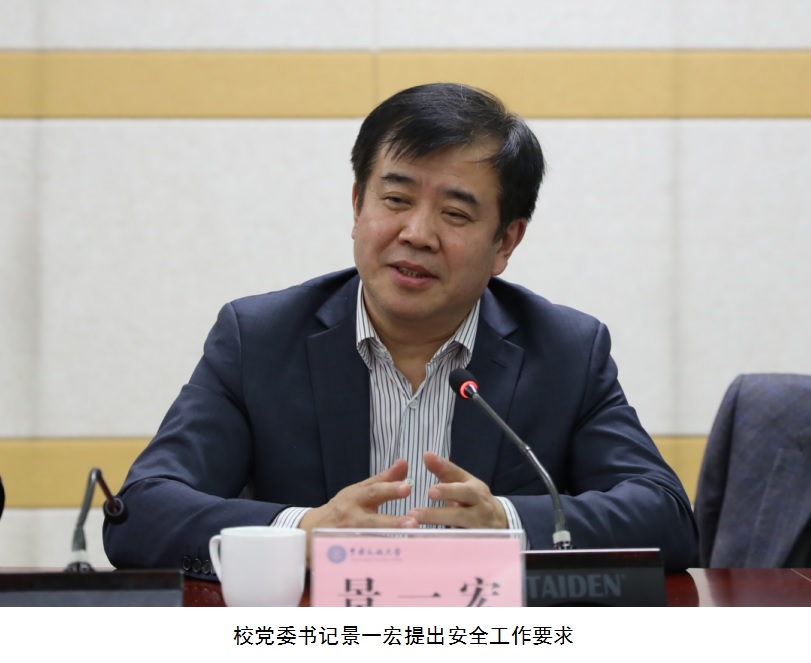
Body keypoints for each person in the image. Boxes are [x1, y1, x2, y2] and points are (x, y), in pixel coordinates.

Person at [103, 83, 698, 576]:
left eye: (455, 213)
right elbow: (141, 514)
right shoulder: (258, 339)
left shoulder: (565, 351)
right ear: (357, 204)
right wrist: (303, 531)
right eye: (395, 199)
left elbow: (667, 518)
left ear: (506, 242)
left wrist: (508, 524)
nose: (416, 233)